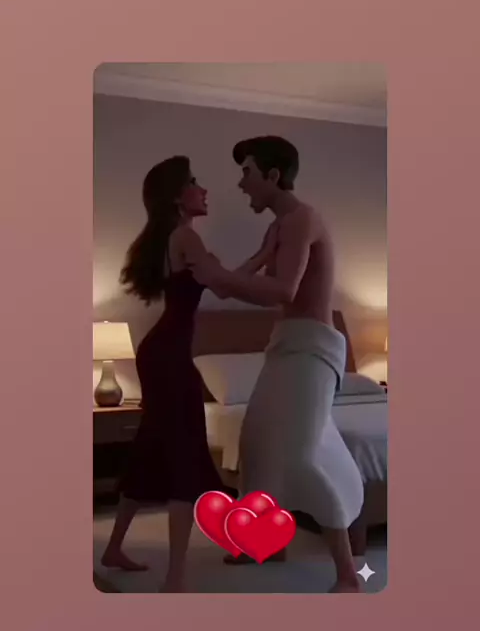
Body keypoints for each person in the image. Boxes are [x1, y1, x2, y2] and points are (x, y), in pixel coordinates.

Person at [191, 136, 365, 593]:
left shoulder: (303, 219)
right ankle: (266, 542)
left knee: (300, 454)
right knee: (256, 442)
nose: (242, 183)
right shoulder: (279, 227)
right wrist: (214, 276)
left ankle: (348, 574)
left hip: (312, 350)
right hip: (287, 345)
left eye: (247, 173)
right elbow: (244, 279)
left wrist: (221, 278)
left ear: (272, 175)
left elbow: (284, 289)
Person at [100, 156, 260, 593]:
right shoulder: (186, 237)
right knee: (183, 457)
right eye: (194, 182)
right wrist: (267, 256)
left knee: (152, 450)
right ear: (176, 196)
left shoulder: (177, 238)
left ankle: (114, 549)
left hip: (161, 352)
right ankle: (175, 577)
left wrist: (260, 258)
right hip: (169, 356)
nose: (203, 190)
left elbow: (224, 282)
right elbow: (228, 285)